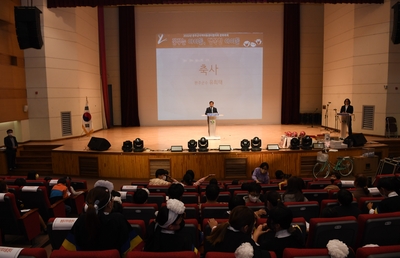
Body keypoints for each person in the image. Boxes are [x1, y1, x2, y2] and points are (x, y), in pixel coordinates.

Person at [62, 186, 143, 255]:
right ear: (110, 204)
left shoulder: (81, 220)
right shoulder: (118, 219)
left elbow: (68, 250)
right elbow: (134, 249)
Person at [204, 205, 270, 258]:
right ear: (246, 228)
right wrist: (256, 235)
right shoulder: (247, 243)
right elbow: (257, 253)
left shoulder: (215, 234)